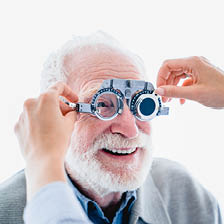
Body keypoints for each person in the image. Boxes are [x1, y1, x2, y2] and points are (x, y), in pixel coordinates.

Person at [0, 32, 223, 224]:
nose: (130, 130)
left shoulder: (185, 195)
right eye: (103, 104)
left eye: (142, 104)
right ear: (54, 114)